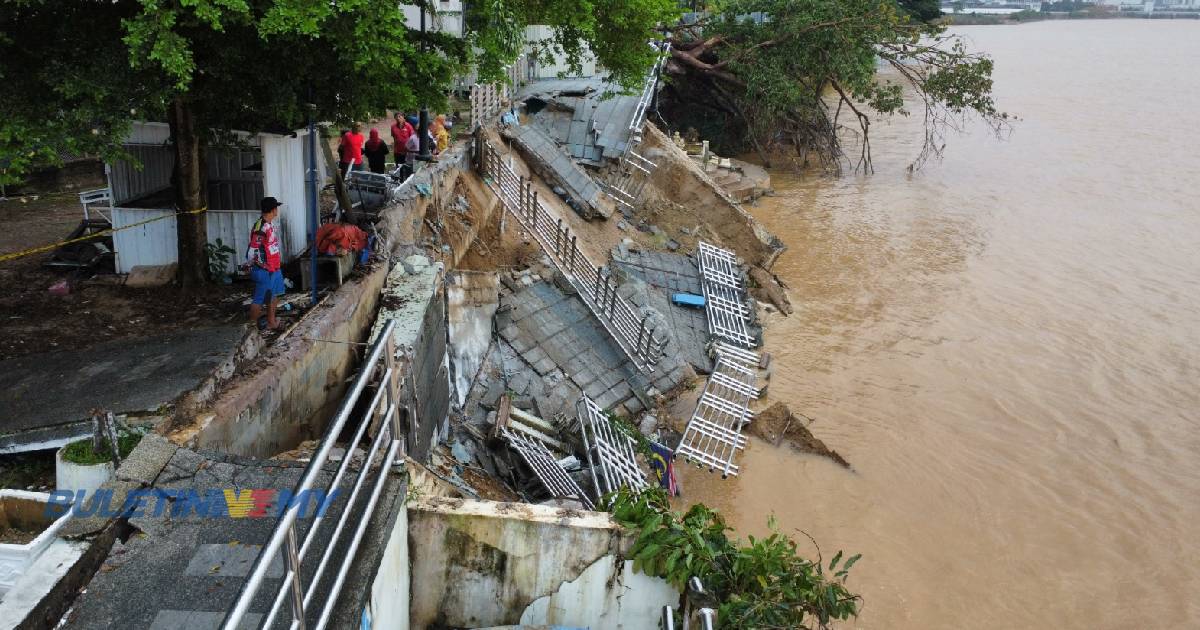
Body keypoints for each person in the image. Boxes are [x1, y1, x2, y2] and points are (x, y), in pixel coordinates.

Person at [247, 197, 286, 331]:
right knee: (259, 299)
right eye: (276, 208)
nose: (277, 210)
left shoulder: (269, 225)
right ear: (273, 209)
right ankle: (251, 331)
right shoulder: (261, 227)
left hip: (274, 268)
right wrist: (263, 267)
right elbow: (252, 252)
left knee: (274, 295)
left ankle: (271, 322)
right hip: (264, 270)